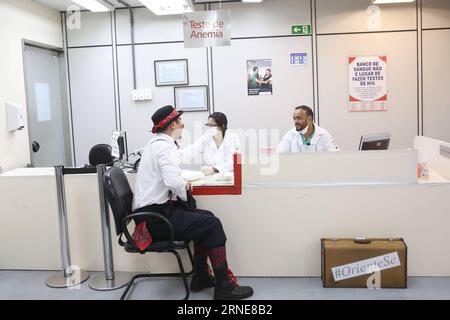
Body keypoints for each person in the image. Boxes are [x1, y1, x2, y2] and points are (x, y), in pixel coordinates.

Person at [132, 105, 253, 300]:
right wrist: (184, 185)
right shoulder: (164, 146)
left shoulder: (158, 144)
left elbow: (172, 174)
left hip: (151, 216)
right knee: (212, 225)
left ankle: (201, 277)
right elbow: (172, 181)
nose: (182, 124)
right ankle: (224, 287)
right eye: (179, 121)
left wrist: (183, 183)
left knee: (206, 218)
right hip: (155, 219)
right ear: (172, 124)